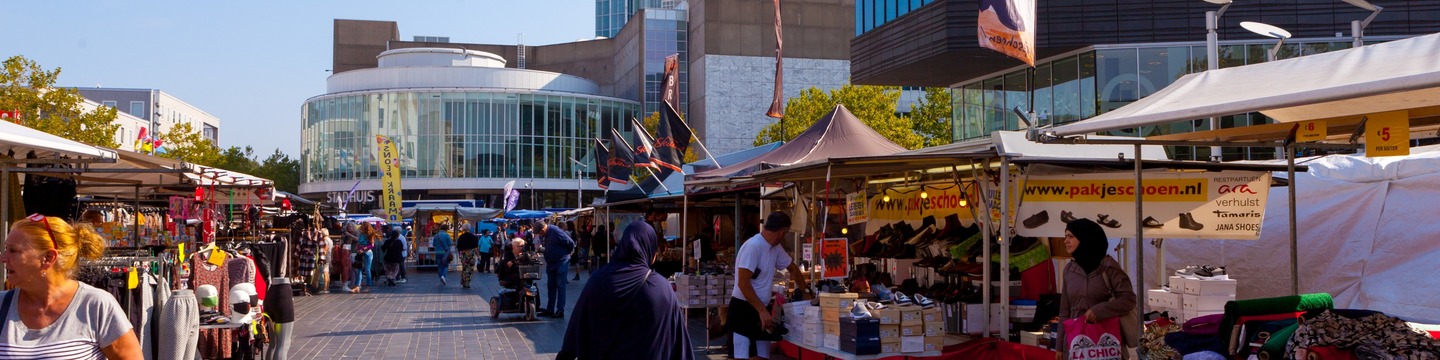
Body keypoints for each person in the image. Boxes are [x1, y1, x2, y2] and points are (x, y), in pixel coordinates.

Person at [0, 214, 143, 359]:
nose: (3, 258)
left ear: (48, 258)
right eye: (5, 249)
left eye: (13, 250)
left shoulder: (95, 305)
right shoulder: (2, 304)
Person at [557, 221, 693, 360]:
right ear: (651, 250)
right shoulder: (662, 289)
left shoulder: (597, 280)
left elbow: (577, 327)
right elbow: (680, 343)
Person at [728, 211, 809, 360]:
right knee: (741, 353)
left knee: (763, 354)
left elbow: (793, 268)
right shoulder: (753, 247)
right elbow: (743, 283)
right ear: (782, 232)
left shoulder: (775, 248)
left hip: (761, 308)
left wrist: (806, 291)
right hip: (743, 308)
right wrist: (762, 311)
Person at [1059, 218, 1138, 357]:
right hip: (1076, 343)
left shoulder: (1108, 266)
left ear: (1085, 238)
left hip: (1107, 343)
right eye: (1065, 236)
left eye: (1070, 236)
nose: (1066, 241)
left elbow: (1129, 299)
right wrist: (1059, 347)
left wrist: (1100, 310)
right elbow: (1064, 311)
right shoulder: (1069, 269)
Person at [535, 220, 576, 319]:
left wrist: (567, 254)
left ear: (543, 229)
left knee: (560, 286)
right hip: (551, 263)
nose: (539, 235)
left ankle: (560, 310)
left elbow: (570, 243)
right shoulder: (544, 235)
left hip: (561, 262)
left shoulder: (555, 231)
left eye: (539, 232)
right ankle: (550, 309)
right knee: (551, 286)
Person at [456, 222, 481, 289]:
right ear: (469, 228)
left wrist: (460, 255)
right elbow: (475, 248)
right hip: (471, 255)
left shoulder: (461, 237)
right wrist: (478, 255)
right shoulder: (473, 237)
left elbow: (458, 247)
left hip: (463, 254)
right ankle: (467, 282)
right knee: (470, 269)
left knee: (464, 268)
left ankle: (463, 281)